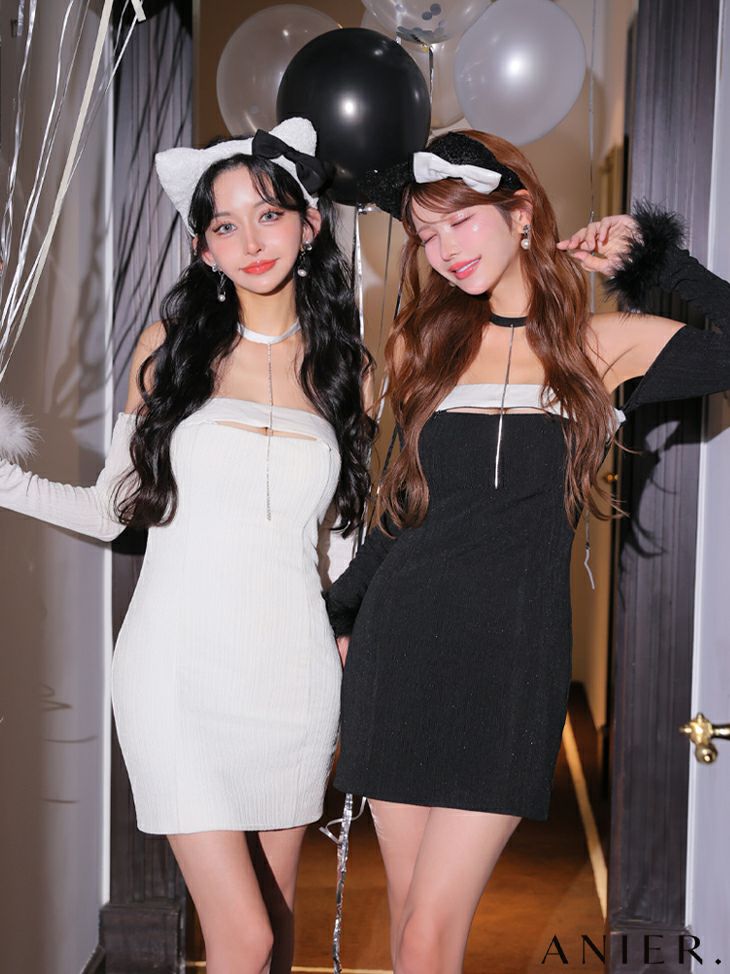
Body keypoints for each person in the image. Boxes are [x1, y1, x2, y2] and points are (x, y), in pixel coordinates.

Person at [323, 128, 730, 974]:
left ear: (520, 212)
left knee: (429, 934)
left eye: (461, 221)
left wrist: (655, 260)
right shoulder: (421, 347)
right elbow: (401, 512)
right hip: (400, 651)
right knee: (409, 927)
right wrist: (340, 614)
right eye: (426, 235)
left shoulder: (601, 345)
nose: (444, 251)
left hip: (511, 662)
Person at [0, 117, 376, 974]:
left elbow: (342, 542)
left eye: (269, 215)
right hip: (176, 672)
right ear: (204, 248)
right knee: (243, 938)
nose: (251, 242)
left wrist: (354, 632)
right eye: (225, 225)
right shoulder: (168, 352)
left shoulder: (346, 370)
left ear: (310, 224)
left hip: (293, 675)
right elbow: (111, 512)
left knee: (275, 931)